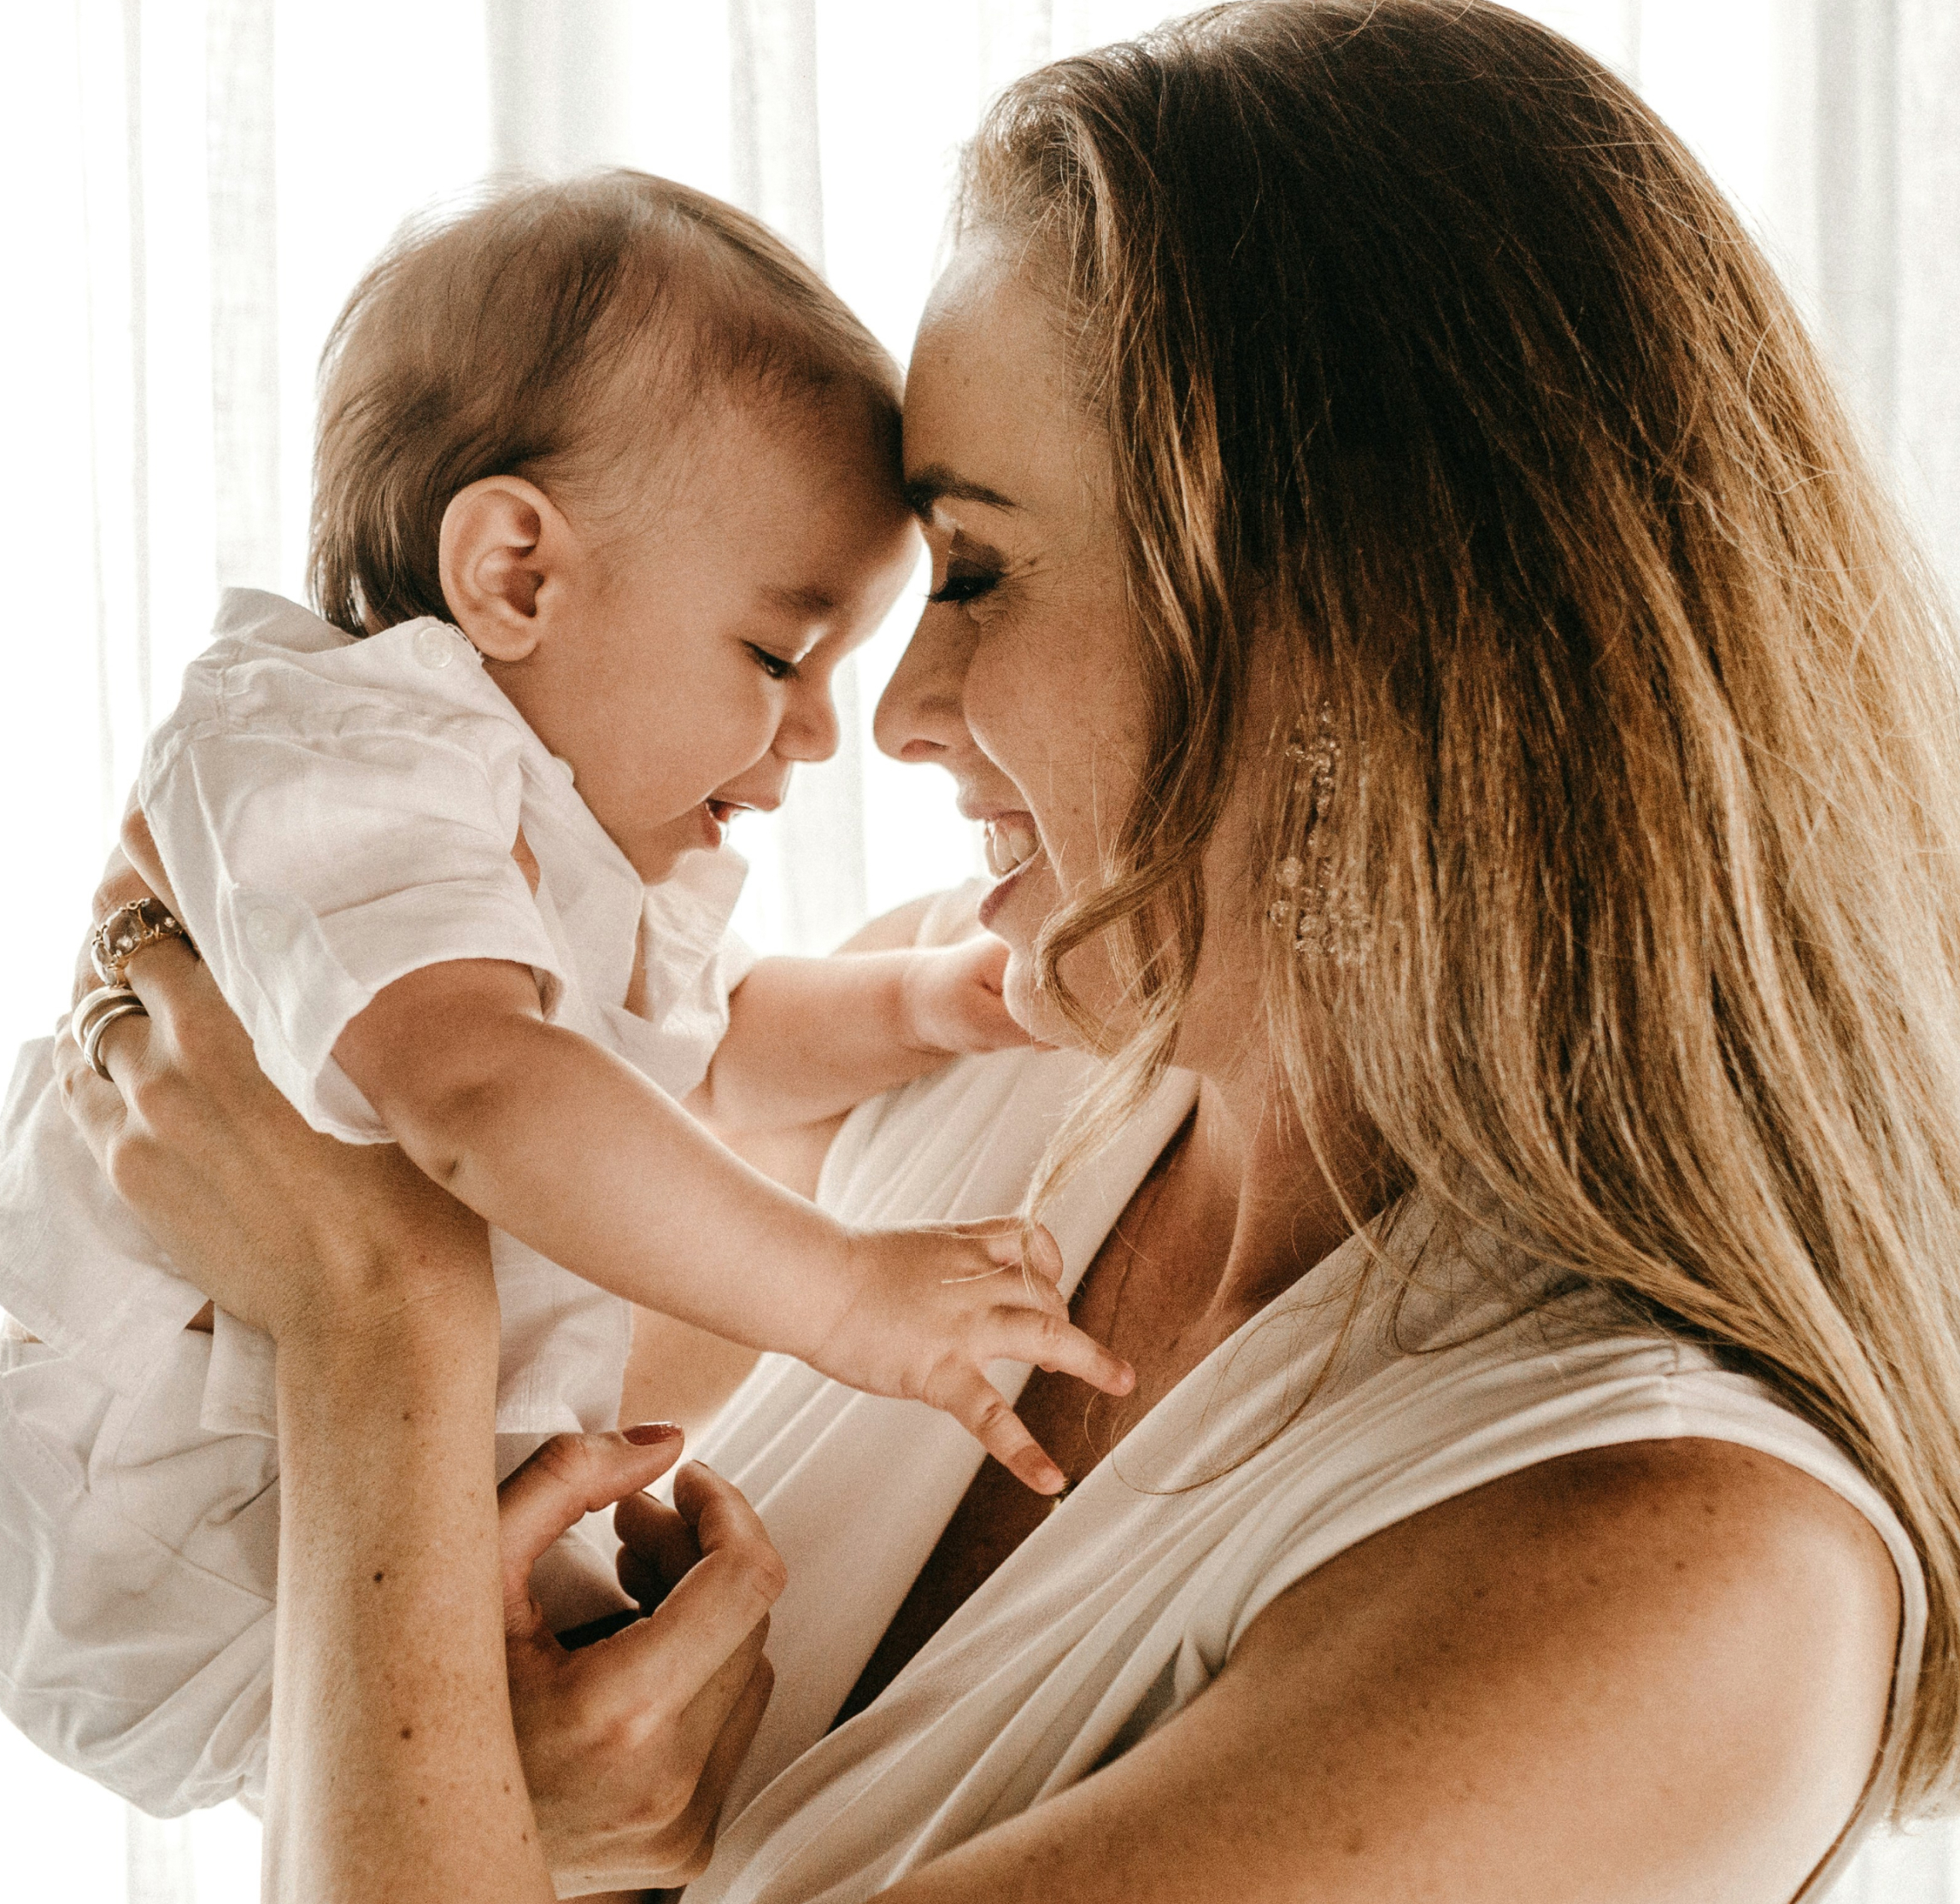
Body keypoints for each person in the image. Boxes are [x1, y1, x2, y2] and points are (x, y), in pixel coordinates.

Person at [38, 0, 1960, 1902]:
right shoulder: (965, 1068)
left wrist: (379, 1315)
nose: (890, 714)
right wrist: (505, 1801)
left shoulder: (1674, 1577)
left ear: (1352, 625)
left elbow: (390, 1395)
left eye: (969, 568)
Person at [0, 171, 1128, 1818]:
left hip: (339, 1488)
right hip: (154, 1502)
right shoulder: (337, 750)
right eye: (777, 654)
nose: (828, 731)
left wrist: (929, 1003)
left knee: (655, 1756)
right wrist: (840, 1295)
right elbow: (479, 1093)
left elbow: (705, 1053)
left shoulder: (545, 827)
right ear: (516, 573)